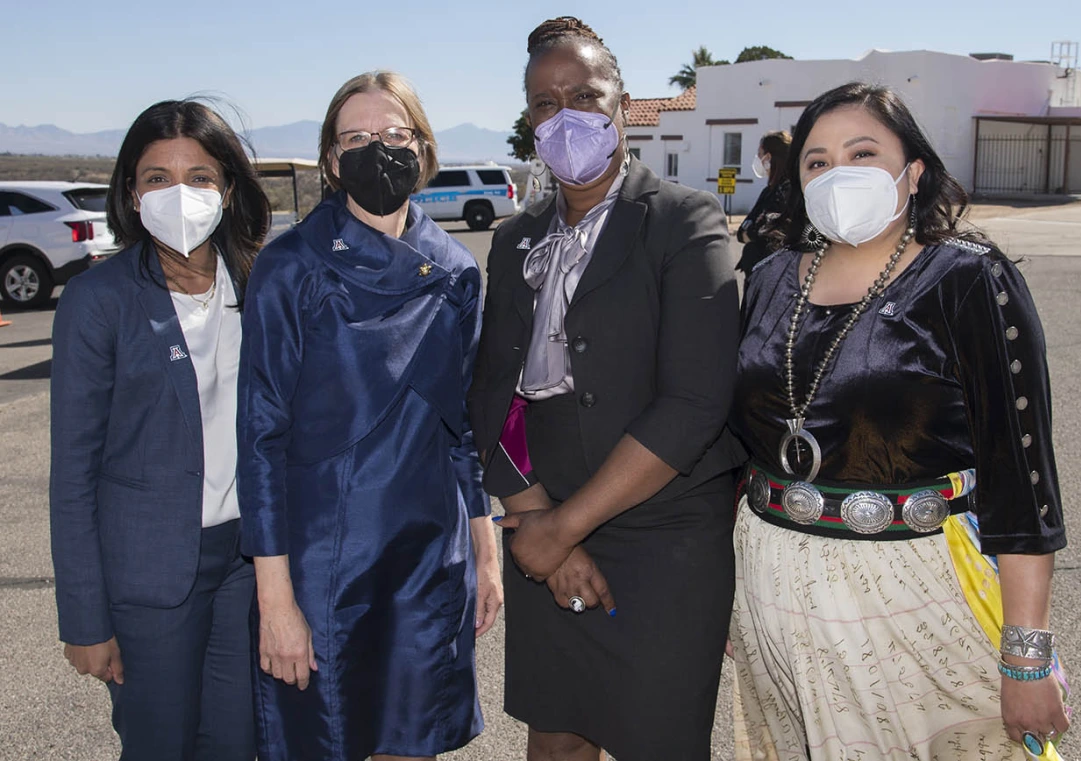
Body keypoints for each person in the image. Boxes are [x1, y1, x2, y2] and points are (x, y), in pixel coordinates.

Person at [730, 82, 1071, 761]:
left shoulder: (968, 279)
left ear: (913, 172)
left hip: (916, 590)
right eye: (818, 162)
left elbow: (1021, 483)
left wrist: (1026, 659)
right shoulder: (768, 279)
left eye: (863, 153)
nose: (838, 174)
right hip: (771, 588)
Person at [468, 17, 742, 761]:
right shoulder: (516, 238)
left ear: (623, 103)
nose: (566, 117)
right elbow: (496, 390)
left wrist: (567, 528)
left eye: (585, 94)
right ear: (528, 123)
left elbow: (694, 403)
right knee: (556, 741)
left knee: (657, 739)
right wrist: (538, 524)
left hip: (662, 536)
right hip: (544, 521)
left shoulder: (685, 222)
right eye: (544, 103)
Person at [237, 70, 501, 761]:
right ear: (330, 160)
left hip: (427, 558)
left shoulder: (455, 268)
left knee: (412, 745)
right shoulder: (289, 267)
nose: (376, 150)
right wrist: (275, 598)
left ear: (422, 147)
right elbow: (260, 437)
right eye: (355, 138)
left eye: (393, 134)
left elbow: (463, 425)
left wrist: (486, 545)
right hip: (326, 563)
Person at [50, 99, 271, 761]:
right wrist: (84, 619)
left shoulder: (260, 285)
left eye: (200, 176)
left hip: (244, 568)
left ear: (228, 189)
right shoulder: (100, 300)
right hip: (148, 577)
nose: (181, 194)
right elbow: (73, 474)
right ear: (131, 192)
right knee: (160, 744)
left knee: (237, 743)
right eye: (156, 178)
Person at [735, 130, 792, 275]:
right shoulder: (769, 191)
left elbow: (758, 230)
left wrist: (755, 232)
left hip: (772, 275)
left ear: (768, 157)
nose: (757, 159)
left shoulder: (786, 192)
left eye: (759, 154)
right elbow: (742, 232)